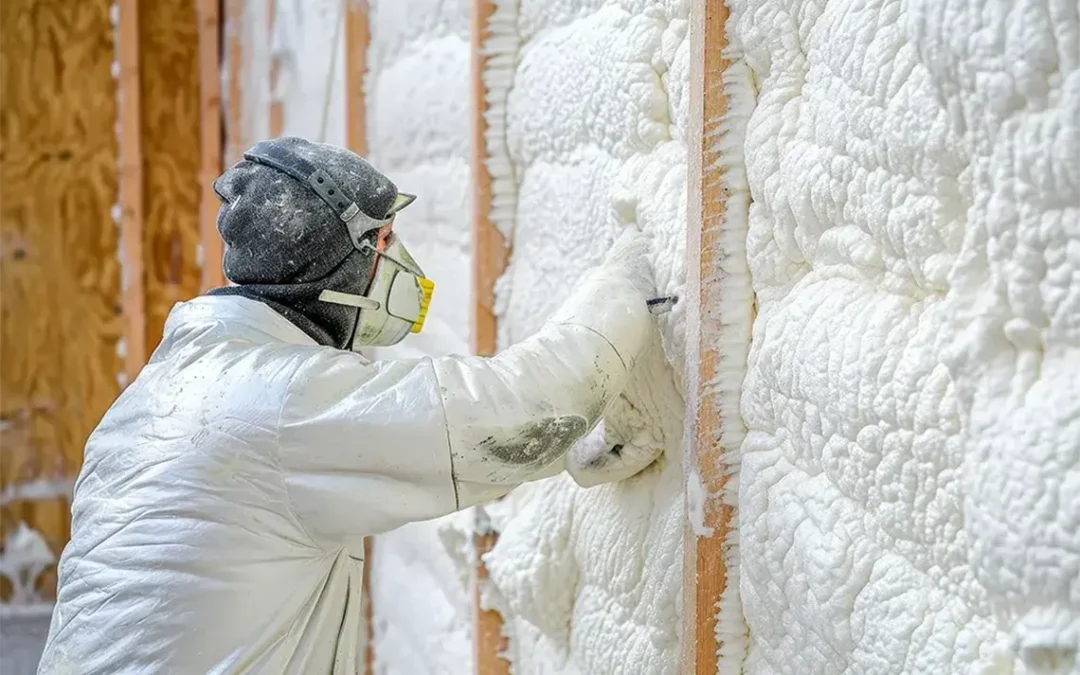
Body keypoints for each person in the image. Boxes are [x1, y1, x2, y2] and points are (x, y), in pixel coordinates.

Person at [37, 137, 657, 674]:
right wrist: (635, 264)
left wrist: (574, 442)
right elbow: (525, 406)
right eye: (383, 241)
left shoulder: (173, 389)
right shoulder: (278, 405)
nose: (399, 265)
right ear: (331, 262)